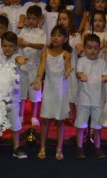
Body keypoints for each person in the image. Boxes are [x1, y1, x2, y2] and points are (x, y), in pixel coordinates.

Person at [0, 31, 28, 159]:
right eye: (5, 45)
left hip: (13, 99)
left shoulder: (17, 57)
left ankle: (16, 147)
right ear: (2, 45)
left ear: (15, 47)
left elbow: (18, 59)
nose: (8, 48)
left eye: (11, 46)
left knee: (15, 124)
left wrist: (21, 60)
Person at [34, 25, 72, 160]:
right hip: (49, 90)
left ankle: (59, 148)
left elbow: (68, 66)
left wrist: (68, 71)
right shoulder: (45, 52)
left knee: (60, 121)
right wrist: (38, 78)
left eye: (59, 35)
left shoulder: (67, 54)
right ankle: (42, 147)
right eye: (53, 35)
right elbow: (42, 66)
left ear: (65, 39)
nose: (56, 38)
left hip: (60, 91)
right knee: (45, 120)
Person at [75, 33, 107, 159]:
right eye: (89, 47)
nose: (92, 50)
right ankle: (79, 147)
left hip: (98, 100)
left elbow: (106, 76)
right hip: (84, 98)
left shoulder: (102, 62)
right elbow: (79, 73)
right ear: (84, 48)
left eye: (95, 47)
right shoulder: (81, 61)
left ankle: (97, 147)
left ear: (99, 48)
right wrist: (80, 75)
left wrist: (105, 78)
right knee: (80, 124)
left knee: (97, 126)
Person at [18, 5, 46, 126]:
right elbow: (18, 42)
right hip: (23, 67)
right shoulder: (22, 31)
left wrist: (27, 43)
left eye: (34, 18)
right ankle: (20, 115)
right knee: (22, 94)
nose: (31, 21)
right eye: (28, 18)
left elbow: (41, 46)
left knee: (35, 94)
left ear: (39, 19)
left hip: (35, 67)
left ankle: (34, 116)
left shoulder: (41, 32)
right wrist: (21, 43)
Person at [58, 9, 83, 123]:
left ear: (70, 21)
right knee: (59, 91)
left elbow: (78, 45)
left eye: (64, 19)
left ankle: (71, 113)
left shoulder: (75, 35)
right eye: (60, 19)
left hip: (71, 68)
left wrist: (79, 48)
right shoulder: (57, 35)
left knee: (71, 91)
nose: (61, 21)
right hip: (58, 68)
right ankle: (58, 113)